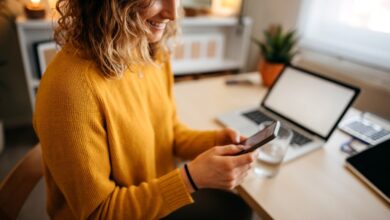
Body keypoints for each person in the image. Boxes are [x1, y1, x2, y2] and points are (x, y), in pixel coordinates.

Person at [34, 0, 256, 219]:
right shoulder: (69, 90)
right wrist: (190, 178)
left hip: (154, 198)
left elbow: (168, 133)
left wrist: (215, 142)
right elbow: (99, 213)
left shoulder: (151, 52)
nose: (173, 13)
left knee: (240, 208)